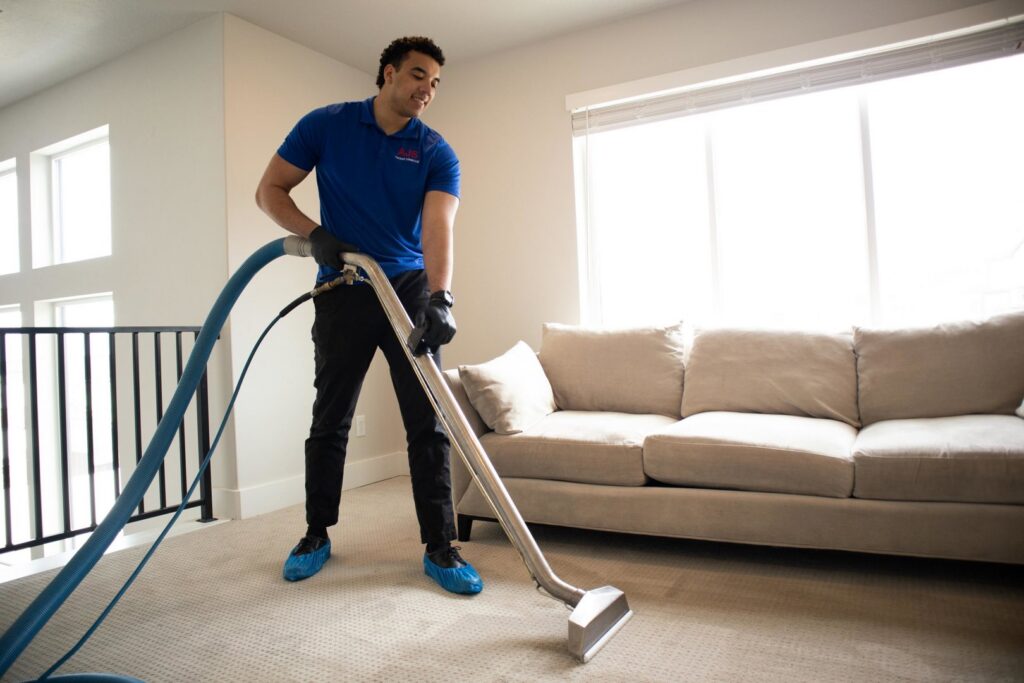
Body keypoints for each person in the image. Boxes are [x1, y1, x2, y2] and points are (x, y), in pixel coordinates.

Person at [255, 36, 481, 595]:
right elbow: (270, 190)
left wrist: (442, 297)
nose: (427, 91)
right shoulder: (326, 125)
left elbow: (438, 228)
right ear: (388, 73)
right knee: (330, 417)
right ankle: (316, 534)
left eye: (434, 84)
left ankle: (440, 545)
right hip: (343, 283)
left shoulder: (435, 151)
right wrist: (315, 235)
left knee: (426, 420)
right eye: (418, 76)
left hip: (406, 289)